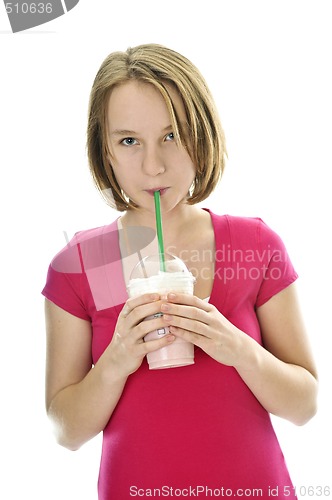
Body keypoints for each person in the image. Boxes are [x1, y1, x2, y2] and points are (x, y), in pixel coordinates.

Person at [42, 44, 318, 499]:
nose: (153, 166)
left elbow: (304, 405)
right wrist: (117, 360)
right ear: (105, 150)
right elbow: (66, 431)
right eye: (128, 141)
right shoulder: (80, 266)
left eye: (172, 135)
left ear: (201, 134)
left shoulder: (255, 247)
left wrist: (235, 347)